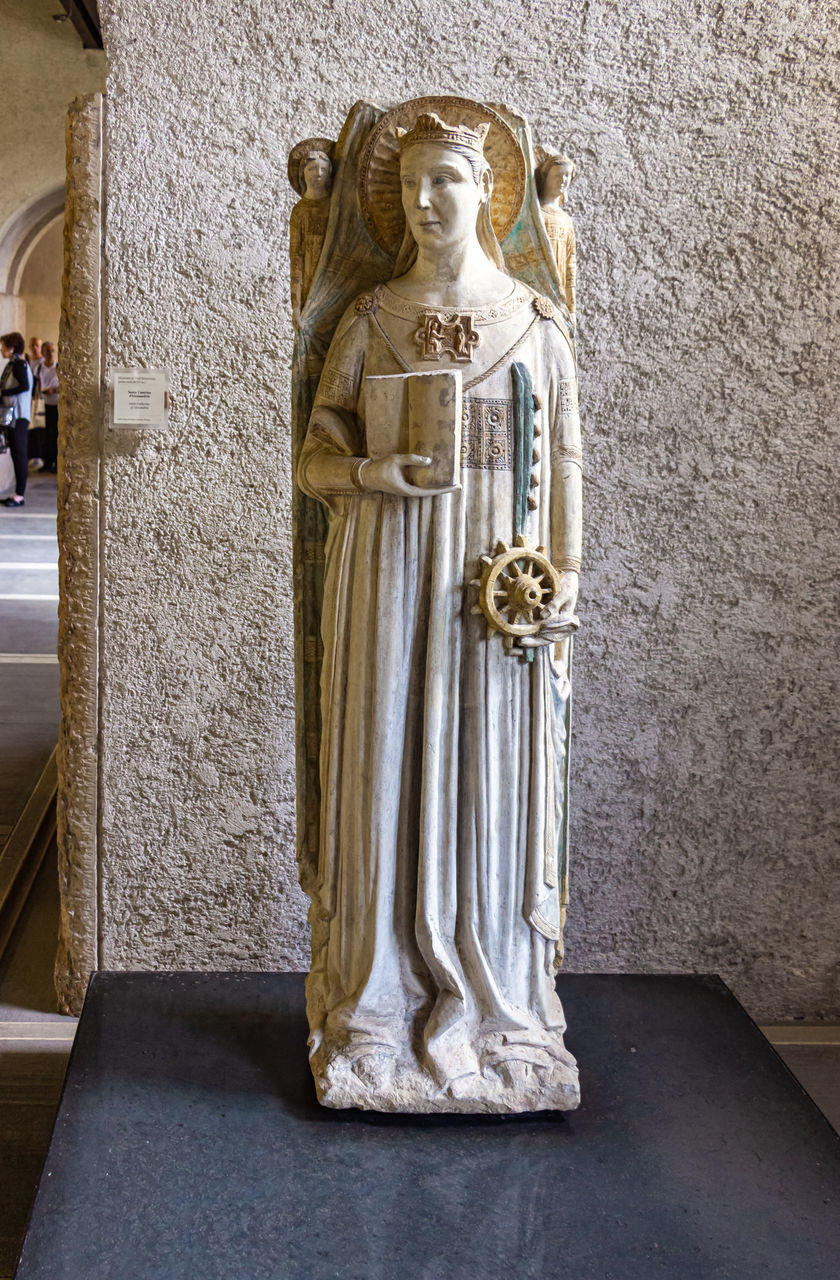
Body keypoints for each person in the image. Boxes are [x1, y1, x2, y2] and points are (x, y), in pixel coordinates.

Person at [297, 107, 583, 1112]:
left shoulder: (533, 325)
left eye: (447, 181)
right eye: (411, 184)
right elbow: (314, 453)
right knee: (382, 767)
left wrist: (565, 581)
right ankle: (374, 1007)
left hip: (493, 586)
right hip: (386, 566)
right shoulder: (367, 320)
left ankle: (501, 1010)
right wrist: (377, 466)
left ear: (488, 195)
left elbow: (568, 469)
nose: (425, 201)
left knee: (490, 783)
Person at [288, 140, 333, 327]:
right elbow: (296, 257)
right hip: (309, 287)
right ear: (302, 174)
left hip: (333, 283)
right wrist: (296, 307)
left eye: (323, 169)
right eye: (312, 169)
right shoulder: (300, 212)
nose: (318, 174)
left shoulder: (335, 207)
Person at [535, 151, 577, 320]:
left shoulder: (565, 220)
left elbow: (570, 261)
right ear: (545, 178)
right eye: (558, 175)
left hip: (558, 295)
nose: (563, 181)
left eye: (567, 176)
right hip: (535, 287)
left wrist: (571, 306)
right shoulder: (535, 215)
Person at [0, 332, 33, 506]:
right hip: (13, 416)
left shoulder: (19, 364)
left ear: (11, 348)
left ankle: (20, 495)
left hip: (19, 416)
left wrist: (2, 393)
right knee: (16, 454)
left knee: (20, 455)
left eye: (3, 346)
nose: (1, 350)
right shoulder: (14, 364)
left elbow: (25, 386)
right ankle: (17, 493)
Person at [39, 342, 59, 472]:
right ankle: (47, 462)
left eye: (52, 351)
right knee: (46, 434)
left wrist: (54, 390)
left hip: (57, 404)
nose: (51, 353)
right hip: (45, 404)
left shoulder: (58, 366)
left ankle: (57, 463)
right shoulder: (40, 368)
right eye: (48, 351)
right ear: (43, 353)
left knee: (57, 433)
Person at [26, 337, 44, 471]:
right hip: (28, 399)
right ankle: (31, 456)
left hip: (40, 399)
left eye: (37, 345)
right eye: (33, 345)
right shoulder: (27, 361)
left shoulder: (43, 363)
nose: (35, 347)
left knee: (39, 428)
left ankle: (40, 457)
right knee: (30, 427)